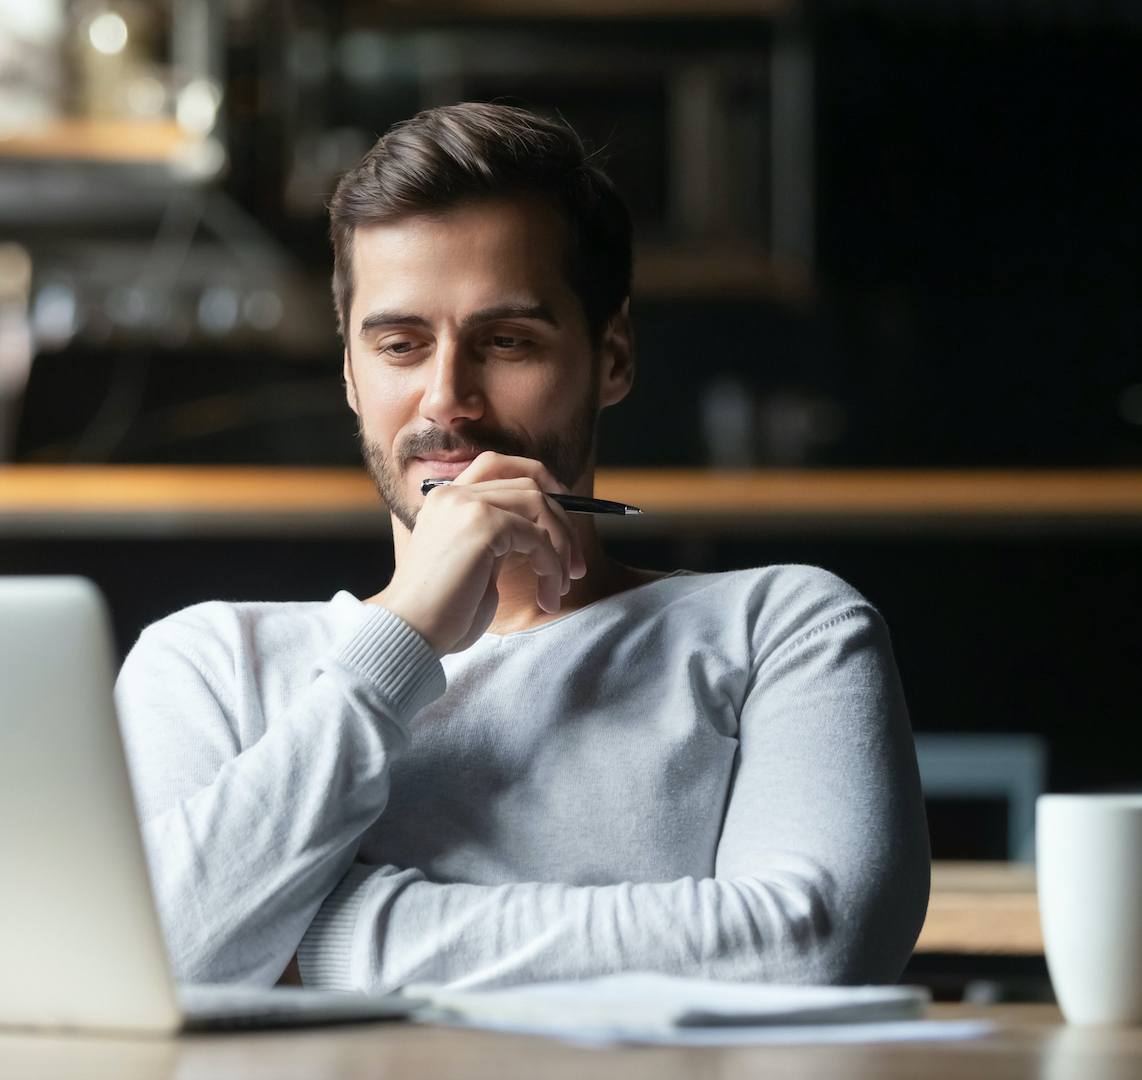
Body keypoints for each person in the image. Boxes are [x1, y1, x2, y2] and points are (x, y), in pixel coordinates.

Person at [115, 103, 930, 993]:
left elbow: (811, 948)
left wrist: (317, 937)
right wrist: (403, 637)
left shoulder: (784, 628)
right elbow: (144, 964)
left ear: (612, 356)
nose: (446, 401)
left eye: (506, 342)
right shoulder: (205, 663)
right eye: (400, 344)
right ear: (349, 372)